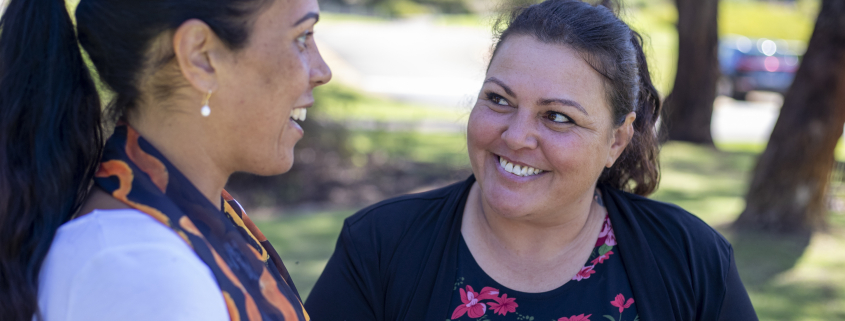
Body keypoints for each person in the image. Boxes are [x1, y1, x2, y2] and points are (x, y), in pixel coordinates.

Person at [305, 1, 757, 320]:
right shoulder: (380, 246)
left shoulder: (690, 259)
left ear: (617, 140)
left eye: (557, 116)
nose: (517, 136)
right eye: (499, 100)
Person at [0, 0, 331, 319]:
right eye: (301, 37)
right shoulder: (139, 270)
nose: (322, 71)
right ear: (200, 56)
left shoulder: (201, 219)